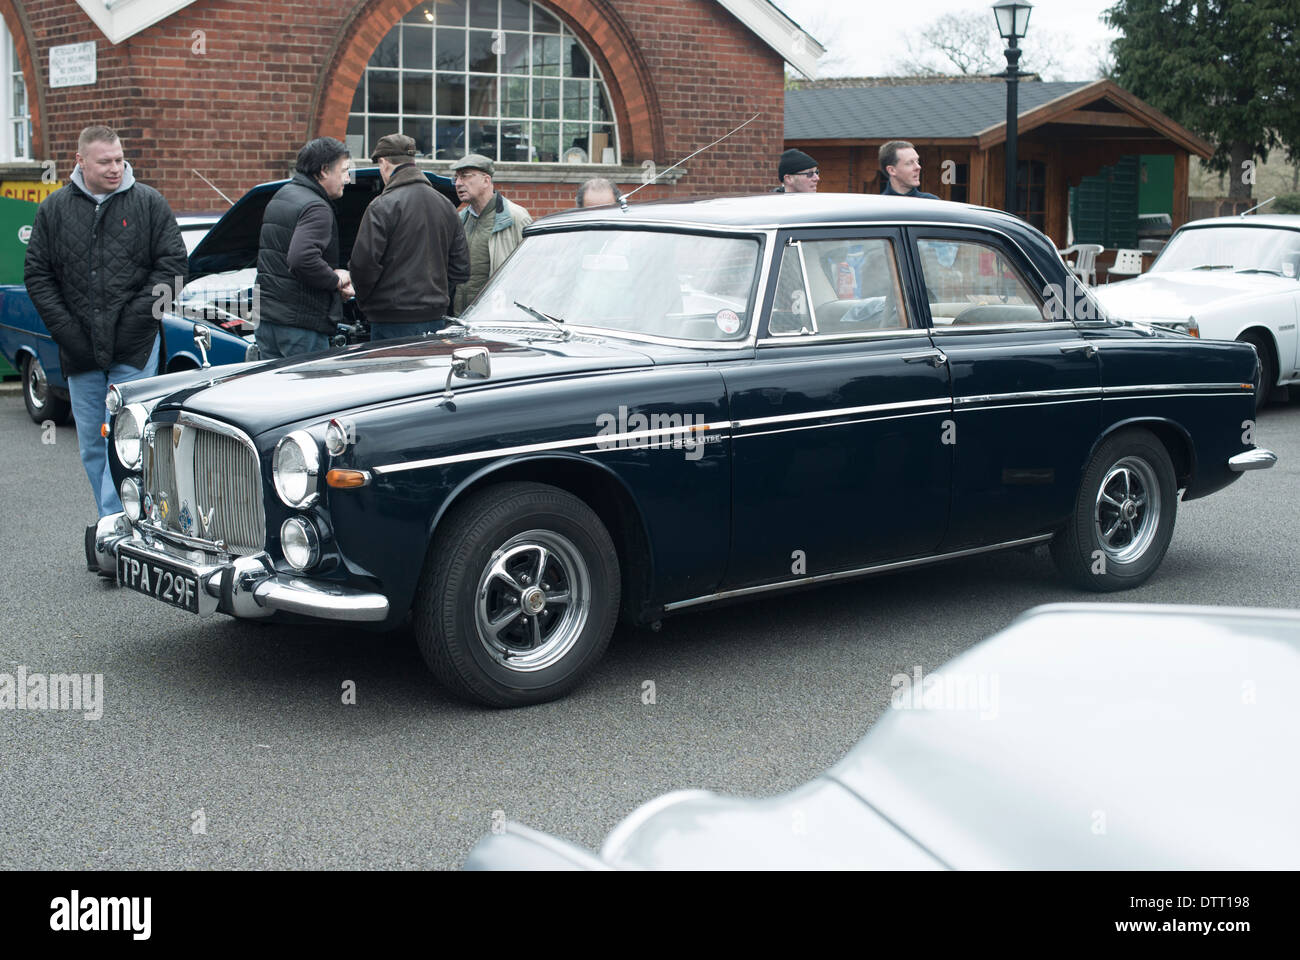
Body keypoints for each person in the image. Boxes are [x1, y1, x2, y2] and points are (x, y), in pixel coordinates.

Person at [24, 125, 186, 524]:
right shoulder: (54, 209)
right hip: (79, 350)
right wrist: (68, 333)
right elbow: (38, 276)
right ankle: (116, 526)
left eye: (119, 159)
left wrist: (135, 324)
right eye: (105, 162)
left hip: (134, 348)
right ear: (80, 162)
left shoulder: (148, 203)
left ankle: (116, 529)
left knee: (127, 439)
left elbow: (174, 269)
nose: (116, 168)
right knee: (93, 446)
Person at [347, 134, 469, 340]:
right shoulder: (446, 205)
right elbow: (461, 268)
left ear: (384, 163)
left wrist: (366, 302)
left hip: (390, 320)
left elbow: (363, 265)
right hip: (436, 317)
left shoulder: (382, 205)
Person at [254, 137, 352, 359]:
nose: (347, 179)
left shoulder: (282, 195)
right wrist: (335, 280)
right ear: (325, 170)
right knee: (308, 390)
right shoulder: (317, 207)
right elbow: (301, 259)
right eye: (344, 171)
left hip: (268, 319)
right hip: (301, 325)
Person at [450, 154, 532, 314]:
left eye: (465, 176)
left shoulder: (516, 217)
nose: (458, 183)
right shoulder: (460, 219)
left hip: (499, 316)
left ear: (486, 180)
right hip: (462, 317)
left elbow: (531, 271)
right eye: (456, 178)